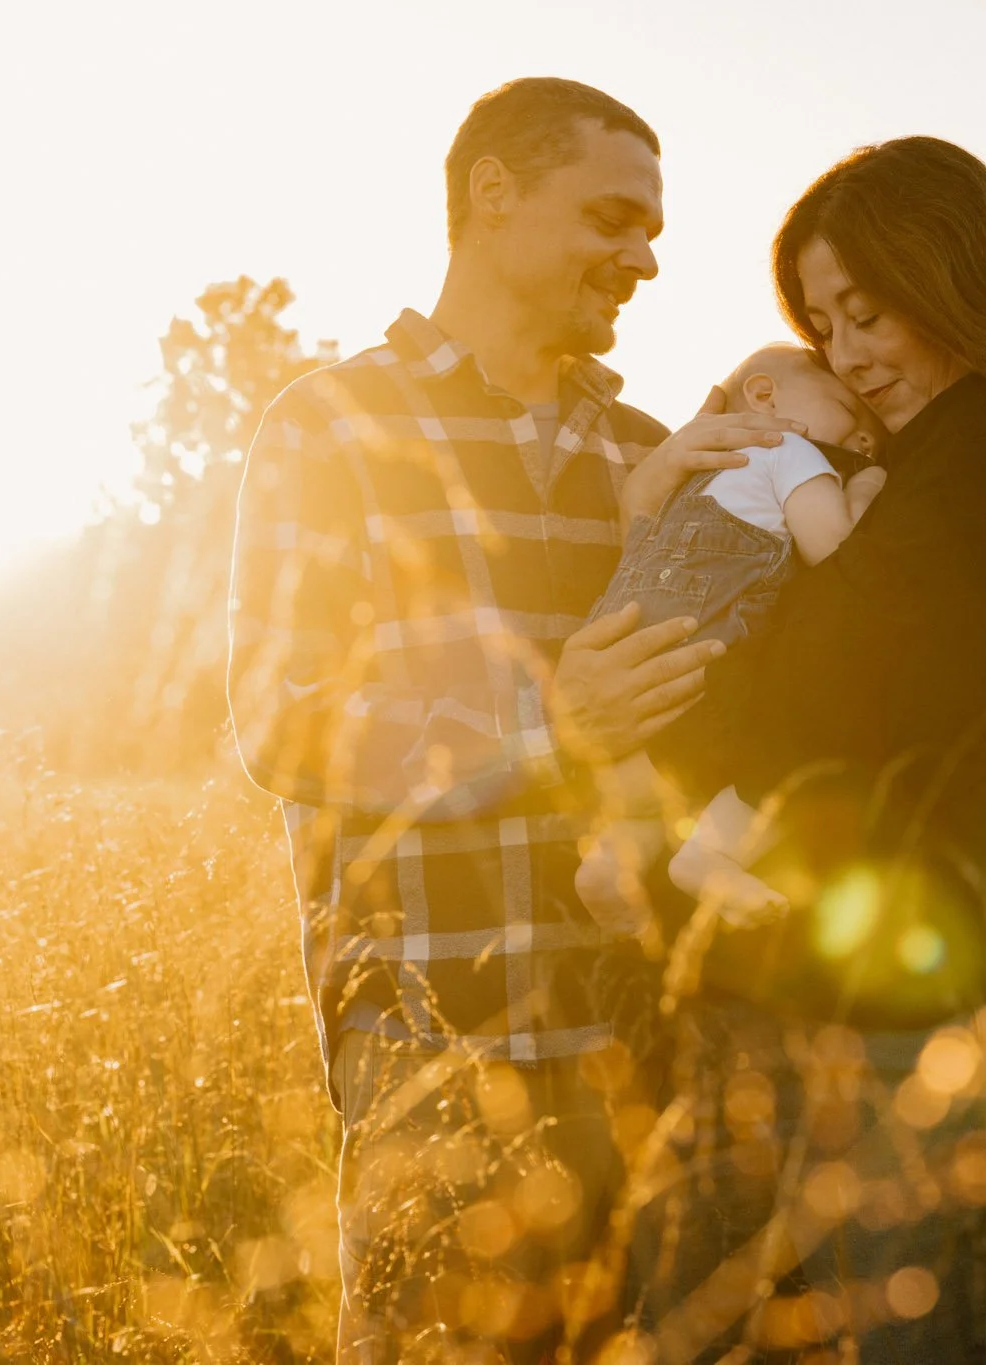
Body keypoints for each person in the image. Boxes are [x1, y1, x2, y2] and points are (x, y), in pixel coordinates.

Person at [225, 78, 802, 1360]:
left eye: (652, 231)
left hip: (648, 1052)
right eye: (611, 217)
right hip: (432, 1045)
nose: (642, 258)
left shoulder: (657, 451)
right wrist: (550, 729)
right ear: (491, 194)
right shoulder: (331, 427)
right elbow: (283, 721)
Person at [623, 138, 986, 1362]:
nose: (847, 356)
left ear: (952, 280)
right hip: (880, 1026)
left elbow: (820, 705)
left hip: (955, 1034)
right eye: (822, 330)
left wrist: (671, 694)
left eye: (867, 314)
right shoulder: (936, 461)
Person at [573, 345, 887, 934]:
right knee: (783, 748)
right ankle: (710, 854)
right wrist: (869, 488)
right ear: (766, 398)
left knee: (647, 805)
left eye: (874, 436)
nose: (865, 438)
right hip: (701, 688)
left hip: (628, 693)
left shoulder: (690, 476)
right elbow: (836, 550)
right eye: (850, 410)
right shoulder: (789, 450)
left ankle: (604, 867)